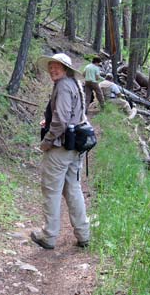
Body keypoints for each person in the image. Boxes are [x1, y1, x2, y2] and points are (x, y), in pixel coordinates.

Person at [31, 53, 90, 250]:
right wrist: (49, 121)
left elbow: (62, 120)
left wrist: (47, 141)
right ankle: (84, 235)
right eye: (51, 66)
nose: (53, 70)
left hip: (60, 147)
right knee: (73, 188)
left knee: (51, 190)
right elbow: (74, 115)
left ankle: (48, 236)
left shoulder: (64, 86)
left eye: (57, 66)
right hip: (73, 148)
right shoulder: (73, 84)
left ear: (65, 69)